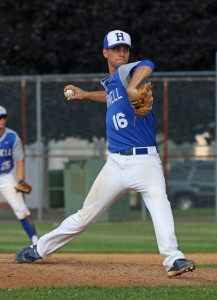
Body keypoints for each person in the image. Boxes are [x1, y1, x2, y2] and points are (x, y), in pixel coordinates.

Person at [14, 30, 196, 277]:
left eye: (126, 49)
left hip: (145, 161)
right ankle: (39, 249)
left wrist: (133, 86)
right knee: (85, 216)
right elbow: (112, 98)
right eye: (117, 49)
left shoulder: (127, 72)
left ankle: (174, 259)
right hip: (116, 163)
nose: (122, 52)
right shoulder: (111, 83)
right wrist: (86, 94)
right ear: (105, 53)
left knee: (159, 204)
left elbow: (148, 64)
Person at [0, 106, 38, 245]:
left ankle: (35, 242)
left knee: (21, 210)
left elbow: (19, 160)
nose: (2, 120)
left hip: (6, 176)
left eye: (4, 117)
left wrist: (21, 179)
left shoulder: (12, 137)